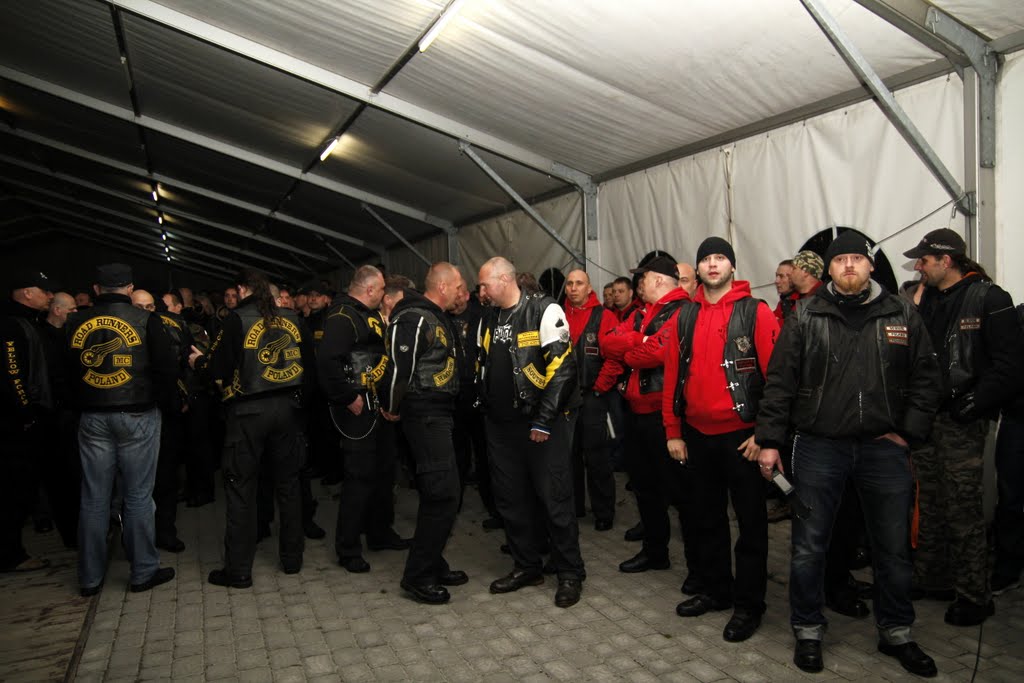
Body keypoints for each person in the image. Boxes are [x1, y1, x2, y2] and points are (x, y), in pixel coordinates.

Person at [756, 231, 942, 676]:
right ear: (830, 270)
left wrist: (909, 432)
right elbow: (780, 381)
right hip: (819, 445)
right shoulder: (807, 314)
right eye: (841, 260)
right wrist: (769, 440)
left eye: (858, 258)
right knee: (808, 546)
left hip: (883, 448)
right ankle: (808, 629)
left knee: (892, 548)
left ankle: (896, 631)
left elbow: (926, 376)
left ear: (871, 265)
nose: (850, 266)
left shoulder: (901, 312)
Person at [905, 228, 1023, 626]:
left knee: (963, 507)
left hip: (963, 422)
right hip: (928, 418)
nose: (918, 266)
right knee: (930, 503)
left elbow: (1010, 366)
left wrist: (973, 404)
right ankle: (934, 578)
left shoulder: (990, 298)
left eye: (924, 260)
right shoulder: (930, 298)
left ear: (946, 260)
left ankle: (975, 595)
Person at [662, 237, 777, 642]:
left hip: (743, 439)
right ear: (697, 269)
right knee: (705, 520)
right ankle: (716, 590)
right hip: (696, 436)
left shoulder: (756, 312)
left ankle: (749, 605)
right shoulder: (684, 316)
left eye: (720, 258)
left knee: (751, 526)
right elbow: (672, 376)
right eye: (706, 259)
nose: (713, 265)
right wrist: (673, 431)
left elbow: (778, 379)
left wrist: (765, 434)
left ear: (732, 266)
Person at [476, 256, 584, 608]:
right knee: (511, 500)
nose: (481, 291)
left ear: (504, 279)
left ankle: (570, 572)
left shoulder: (544, 310)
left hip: (540, 425)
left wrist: (543, 419)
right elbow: (483, 362)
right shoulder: (490, 316)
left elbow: (563, 369)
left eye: (484, 284)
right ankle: (527, 566)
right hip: (500, 426)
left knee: (555, 498)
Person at [67, 263, 178, 596]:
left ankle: (89, 578)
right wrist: (161, 402)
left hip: (92, 415)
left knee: (94, 499)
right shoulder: (146, 320)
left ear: (96, 289)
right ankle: (143, 571)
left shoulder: (75, 322)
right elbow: (166, 369)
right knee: (138, 496)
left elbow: (63, 371)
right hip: (137, 414)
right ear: (130, 289)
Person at [380, 263, 469, 604]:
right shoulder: (414, 318)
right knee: (442, 494)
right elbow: (398, 368)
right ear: (443, 286)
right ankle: (417, 576)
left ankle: (433, 562)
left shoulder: (435, 316)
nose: (463, 293)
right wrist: (392, 406)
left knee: (443, 492)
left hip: (439, 413)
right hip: (424, 413)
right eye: (459, 286)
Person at [602, 255, 692, 573]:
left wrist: (633, 350)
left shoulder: (681, 311)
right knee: (644, 487)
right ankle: (655, 552)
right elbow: (607, 343)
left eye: (643, 277)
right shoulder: (642, 313)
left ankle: (698, 567)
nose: (639, 283)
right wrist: (638, 341)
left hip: (665, 416)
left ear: (658, 280)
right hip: (636, 412)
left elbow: (657, 353)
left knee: (680, 493)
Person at [318, 266, 408, 573]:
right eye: (381, 289)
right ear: (369, 290)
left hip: (378, 407)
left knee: (383, 473)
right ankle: (348, 548)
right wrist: (346, 397)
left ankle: (380, 533)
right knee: (358, 479)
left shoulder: (367, 314)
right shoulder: (342, 316)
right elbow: (327, 361)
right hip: (357, 409)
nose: (384, 294)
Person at [1, 269, 55, 573]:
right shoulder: (11, 325)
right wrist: (26, 414)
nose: (49, 296)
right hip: (14, 424)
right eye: (44, 291)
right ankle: (11, 555)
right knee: (16, 489)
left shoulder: (28, 322)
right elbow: (12, 374)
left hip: (23, 420)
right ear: (27, 293)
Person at [563, 268, 620, 530]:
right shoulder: (558, 316)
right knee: (569, 455)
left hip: (592, 396)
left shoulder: (604, 316)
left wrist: (599, 387)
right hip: (565, 399)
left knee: (596, 457)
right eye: (570, 283)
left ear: (589, 288)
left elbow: (615, 357)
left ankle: (604, 512)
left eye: (579, 283)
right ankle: (574, 507)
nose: (573, 288)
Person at [131, 289, 185, 553]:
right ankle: (135, 540)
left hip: (162, 411)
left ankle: (164, 531)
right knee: (133, 482)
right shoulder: (121, 331)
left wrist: (180, 396)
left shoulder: (166, 328)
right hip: (131, 414)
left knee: (164, 476)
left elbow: (179, 365)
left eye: (150, 307)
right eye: (139, 307)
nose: (145, 312)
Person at [773, 260, 794, 325]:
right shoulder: (783, 301)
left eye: (781, 276)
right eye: (776, 276)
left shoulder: (802, 301)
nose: (776, 281)